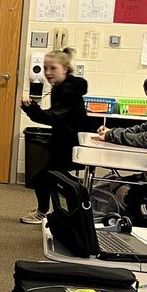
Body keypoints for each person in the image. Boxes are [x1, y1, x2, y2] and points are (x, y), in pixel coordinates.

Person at [20, 47, 92, 223]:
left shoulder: (66, 90)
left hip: (69, 142)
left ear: (65, 69)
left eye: (53, 68)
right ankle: (62, 212)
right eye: (45, 68)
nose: (47, 72)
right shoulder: (65, 86)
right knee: (54, 177)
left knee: (42, 178)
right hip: (65, 140)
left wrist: (32, 109)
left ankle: (44, 212)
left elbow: (55, 117)